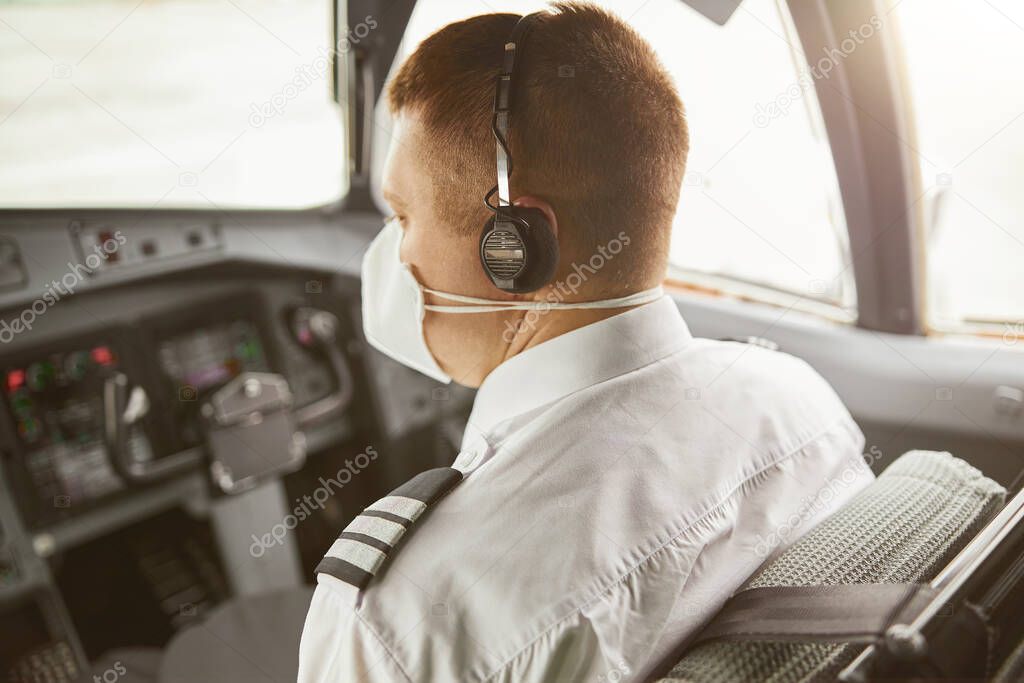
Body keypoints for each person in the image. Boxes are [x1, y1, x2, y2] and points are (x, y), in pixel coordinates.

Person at [298, 3, 873, 681]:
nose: (387, 253)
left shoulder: (407, 618)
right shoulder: (800, 404)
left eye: (402, 216)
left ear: (514, 247)